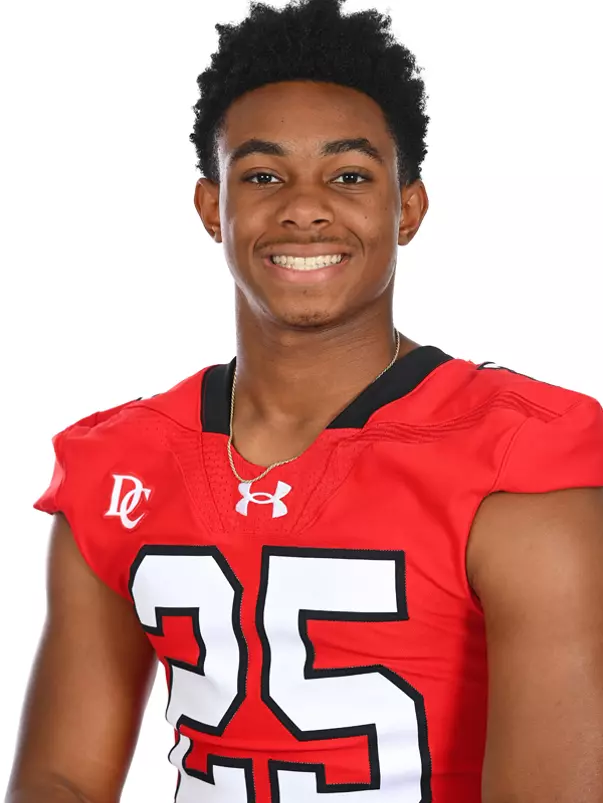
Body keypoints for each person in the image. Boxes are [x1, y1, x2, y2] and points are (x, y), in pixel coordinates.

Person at [6, 0, 603, 801]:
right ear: (213, 207)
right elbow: (61, 777)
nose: (304, 206)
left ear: (408, 208)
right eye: (261, 175)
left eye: (349, 175)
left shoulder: (516, 458)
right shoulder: (116, 463)